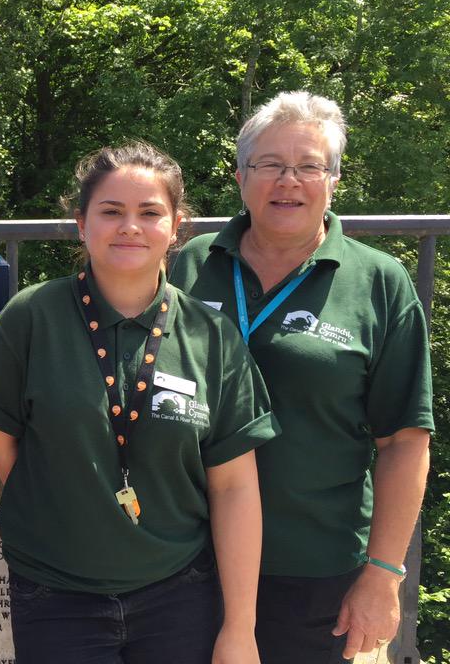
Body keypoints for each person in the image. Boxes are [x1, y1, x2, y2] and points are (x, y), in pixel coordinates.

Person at [0, 142, 279, 664]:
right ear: (81, 224)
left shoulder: (212, 337)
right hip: (55, 594)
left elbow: (235, 487)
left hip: (179, 594)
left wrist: (240, 628)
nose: (130, 227)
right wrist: (62, 506)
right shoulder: (30, 318)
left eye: (149, 213)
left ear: (176, 228)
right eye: (111, 211)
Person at [169, 91, 433, 663]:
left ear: (333, 180)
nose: (288, 181)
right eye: (269, 164)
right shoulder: (190, 264)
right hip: (182, 560)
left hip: (315, 568)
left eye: (309, 166)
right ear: (241, 176)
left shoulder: (379, 282)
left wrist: (383, 574)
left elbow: (405, 442)